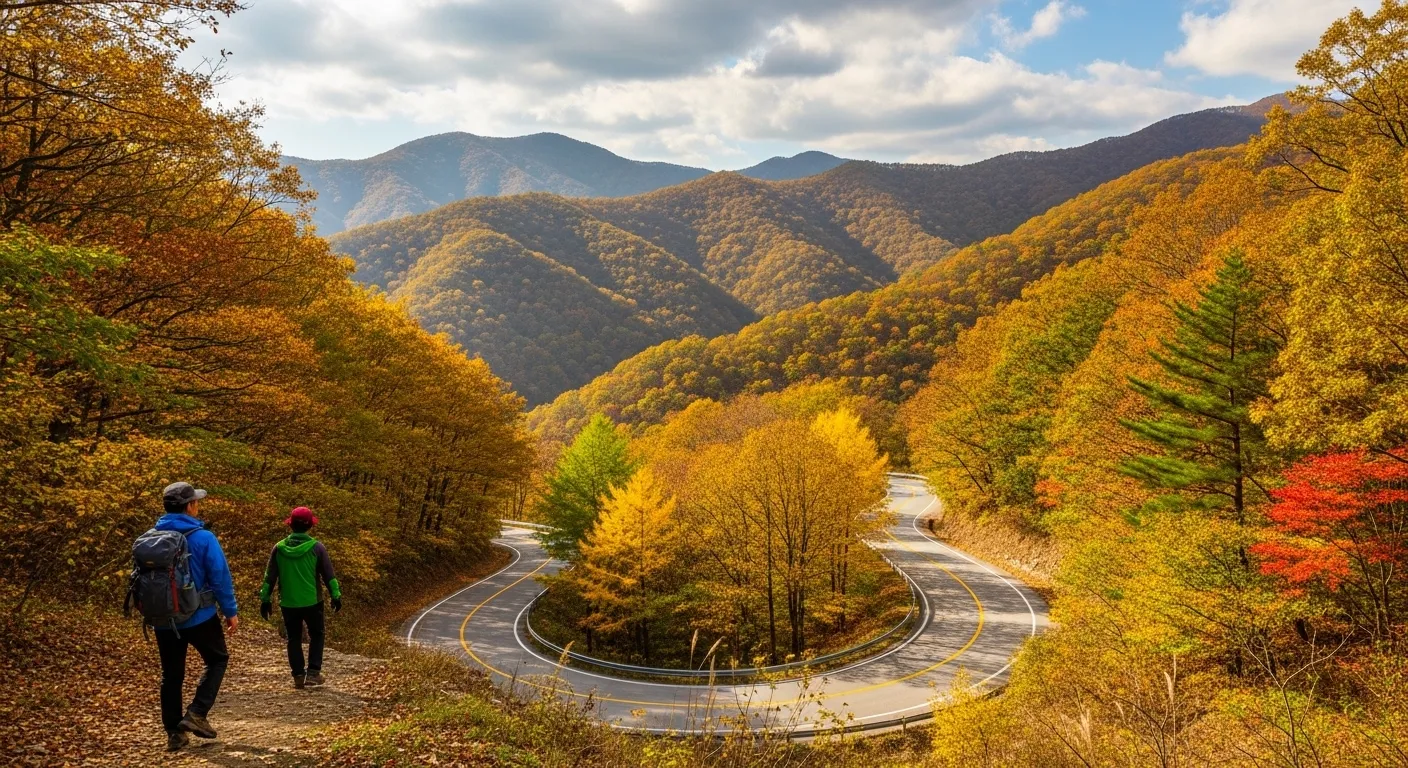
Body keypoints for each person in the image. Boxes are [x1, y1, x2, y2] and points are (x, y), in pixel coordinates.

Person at [152, 482, 239, 753]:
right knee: (217, 659)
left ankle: (174, 734)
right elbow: (220, 576)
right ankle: (197, 713)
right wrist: (230, 611)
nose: (198, 506)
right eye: (196, 502)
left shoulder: (149, 537)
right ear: (189, 506)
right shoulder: (203, 537)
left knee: (171, 674)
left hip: (163, 619)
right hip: (199, 615)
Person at [258, 506, 342, 689]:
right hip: (312, 601)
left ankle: (297, 675)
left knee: (293, 638)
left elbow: (269, 577)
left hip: (288, 602)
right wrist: (336, 596)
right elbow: (329, 575)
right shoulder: (317, 548)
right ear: (310, 526)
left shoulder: (279, 548)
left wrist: (265, 600)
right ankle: (313, 673)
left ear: (291, 525)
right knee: (317, 634)